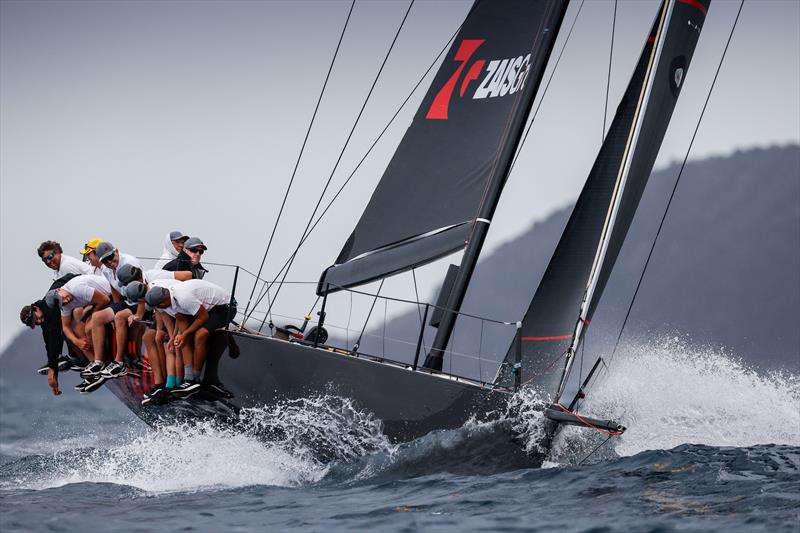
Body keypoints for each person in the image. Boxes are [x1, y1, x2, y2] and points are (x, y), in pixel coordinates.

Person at [145, 279, 236, 399]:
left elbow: (203, 317)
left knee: (200, 335)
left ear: (162, 302)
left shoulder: (183, 297)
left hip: (225, 307)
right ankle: (189, 379)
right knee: (183, 338)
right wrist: (176, 337)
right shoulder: (166, 305)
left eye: (157, 306)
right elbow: (182, 322)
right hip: (207, 308)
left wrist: (186, 333)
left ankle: (195, 380)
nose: (157, 309)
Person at [45, 274, 112, 393]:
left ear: (59, 290)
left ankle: (99, 362)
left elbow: (105, 300)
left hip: (111, 295)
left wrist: (91, 316)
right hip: (98, 301)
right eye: (63, 303)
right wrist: (78, 342)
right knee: (76, 330)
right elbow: (65, 327)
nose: (66, 301)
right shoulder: (62, 302)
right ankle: (95, 369)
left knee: (88, 326)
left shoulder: (77, 288)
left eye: (63, 298)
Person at [90, 241, 144, 378]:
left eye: (111, 257)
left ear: (117, 251)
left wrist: (137, 314)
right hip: (126, 300)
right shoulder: (106, 269)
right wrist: (115, 306)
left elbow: (141, 289)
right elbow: (114, 289)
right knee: (97, 317)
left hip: (139, 299)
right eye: (105, 260)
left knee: (119, 317)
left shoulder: (130, 262)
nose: (109, 262)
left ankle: (119, 362)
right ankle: (98, 362)